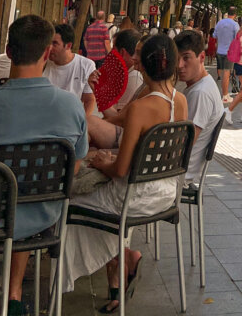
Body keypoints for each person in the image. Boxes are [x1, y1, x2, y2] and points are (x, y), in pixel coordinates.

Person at [0, 15, 88, 315]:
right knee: (23, 191)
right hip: (43, 215)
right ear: (47, 53)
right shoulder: (71, 106)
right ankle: (13, 294)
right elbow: (76, 162)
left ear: (8, 52)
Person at [61, 34, 189, 306]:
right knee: (96, 199)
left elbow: (119, 171)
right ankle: (120, 262)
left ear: (142, 64)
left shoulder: (142, 106)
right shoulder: (180, 101)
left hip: (134, 196)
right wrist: (99, 95)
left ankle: (76, 280)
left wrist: (100, 162)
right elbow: (119, 120)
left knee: (68, 200)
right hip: (166, 193)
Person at [174, 29, 224, 182]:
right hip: (178, 168)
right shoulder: (203, 85)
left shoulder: (200, 93)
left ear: (202, 57)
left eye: (186, 58)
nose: (180, 65)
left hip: (177, 173)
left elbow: (181, 145)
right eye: (177, 58)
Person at [88, 29, 145, 148]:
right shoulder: (131, 76)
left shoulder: (135, 77)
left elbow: (118, 120)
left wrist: (96, 123)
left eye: (139, 53)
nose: (134, 57)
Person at [45, 23, 97, 115]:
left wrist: (82, 123)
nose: (50, 48)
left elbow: (89, 100)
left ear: (68, 46)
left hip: (71, 119)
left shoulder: (86, 65)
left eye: (55, 43)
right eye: (49, 43)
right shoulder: (43, 63)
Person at [214, 6, 240, 104]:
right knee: (226, 73)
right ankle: (224, 96)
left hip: (219, 51)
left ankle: (225, 94)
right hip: (229, 52)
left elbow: (214, 35)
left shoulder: (220, 22)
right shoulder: (235, 24)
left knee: (222, 74)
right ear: (235, 14)